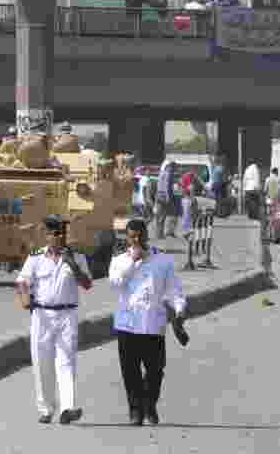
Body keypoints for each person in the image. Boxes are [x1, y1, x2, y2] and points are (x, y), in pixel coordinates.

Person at [15, 214, 93, 425]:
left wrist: (73, 266)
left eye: (63, 234)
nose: (60, 237)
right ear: (47, 235)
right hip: (42, 315)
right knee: (42, 362)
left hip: (67, 314)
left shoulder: (77, 257)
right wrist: (24, 299)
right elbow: (22, 281)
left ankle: (68, 408)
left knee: (66, 361)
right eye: (55, 233)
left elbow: (87, 284)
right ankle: (47, 408)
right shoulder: (35, 257)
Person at [109, 218, 187, 426]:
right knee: (130, 371)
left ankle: (149, 405)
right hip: (127, 324)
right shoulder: (119, 260)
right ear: (127, 238)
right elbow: (115, 284)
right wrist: (133, 263)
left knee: (155, 370)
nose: (137, 240)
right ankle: (135, 410)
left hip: (153, 323)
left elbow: (174, 289)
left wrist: (179, 311)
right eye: (132, 236)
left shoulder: (163, 260)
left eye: (140, 236)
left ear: (146, 235)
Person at [155, 160, 177, 239]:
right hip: (164, 196)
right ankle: (160, 234)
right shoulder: (168, 174)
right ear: (170, 167)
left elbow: (159, 185)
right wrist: (168, 197)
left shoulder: (161, 173)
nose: (174, 170)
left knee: (159, 216)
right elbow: (166, 186)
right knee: (162, 216)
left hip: (159, 195)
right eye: (174, 168)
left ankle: (158, 234)